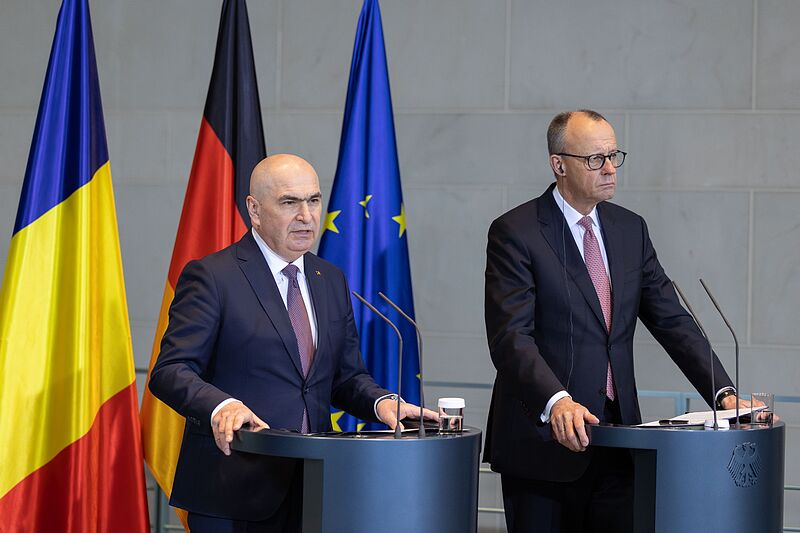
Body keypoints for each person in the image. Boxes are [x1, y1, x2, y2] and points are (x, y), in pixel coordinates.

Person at [483, 110, 747, 533]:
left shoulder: (630, 229)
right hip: (544, 444)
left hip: (619, 438)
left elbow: (671, 319)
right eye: (595, 159)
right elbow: (511, 339)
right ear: (559, 164)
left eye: (613, 156)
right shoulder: (516, 232)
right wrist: (557, 401)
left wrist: (724, 393)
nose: (609, 169)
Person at [149, 154, 435, 532]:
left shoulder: (328, 278)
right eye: (290, 202)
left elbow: (346, 379)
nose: (307, 215)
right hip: (233, 489)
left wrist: (382, 403)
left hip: (315, 490)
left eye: (314, 200)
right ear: (254, 209)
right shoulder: (213, 276)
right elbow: (170, 370)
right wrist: (223, 405)